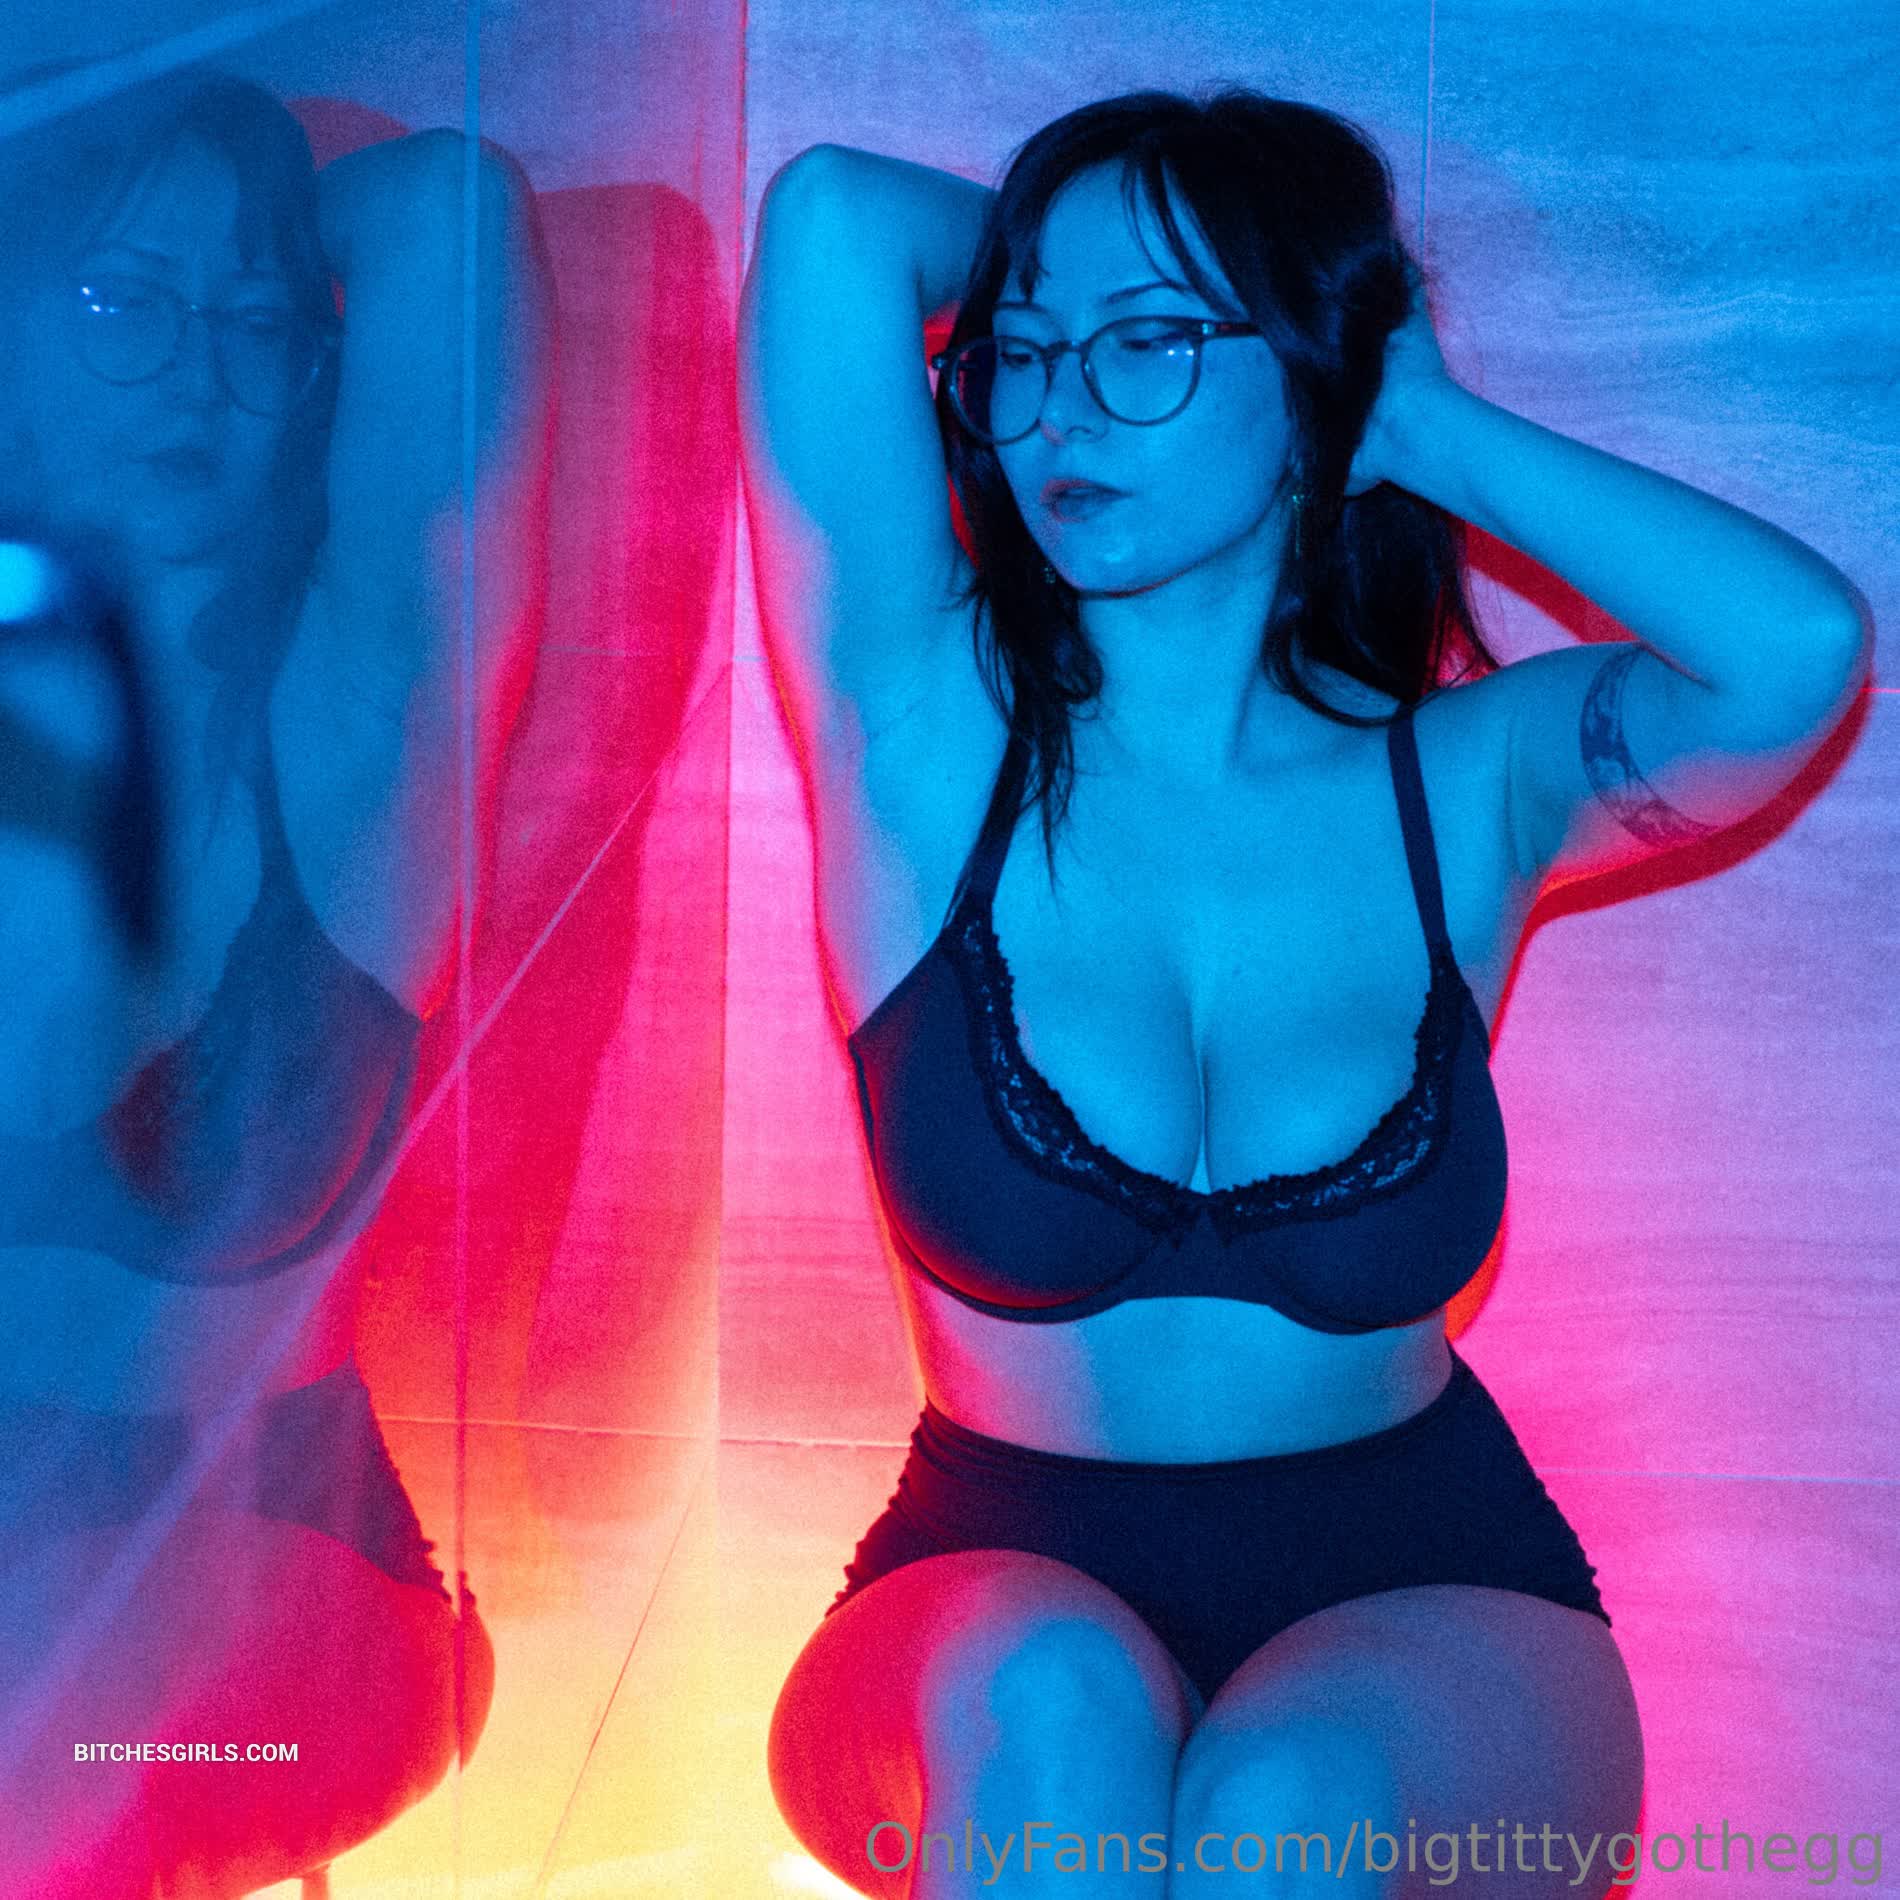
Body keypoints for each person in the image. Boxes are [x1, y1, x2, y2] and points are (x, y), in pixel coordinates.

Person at [740, 88, 1868, 1898]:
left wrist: (1403, 409)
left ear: (1310, 381)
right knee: (1055, 1723)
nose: (1059, 409)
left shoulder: (1472, 783)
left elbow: (1794, 650)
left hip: (1424, 1588)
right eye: (1023, 346)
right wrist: (1134, 288)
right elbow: (831, 219)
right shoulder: (921, 723)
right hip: (988, 1580)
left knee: (1289, 1815)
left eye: (1148, 343)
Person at [0, 67, 551, 1895]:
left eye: (255, 323)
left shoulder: (359, 722)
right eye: (119, 304)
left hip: (286, 1581)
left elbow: (451, 207)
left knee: (44, 1754)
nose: (196, 375)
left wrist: (145, 166)